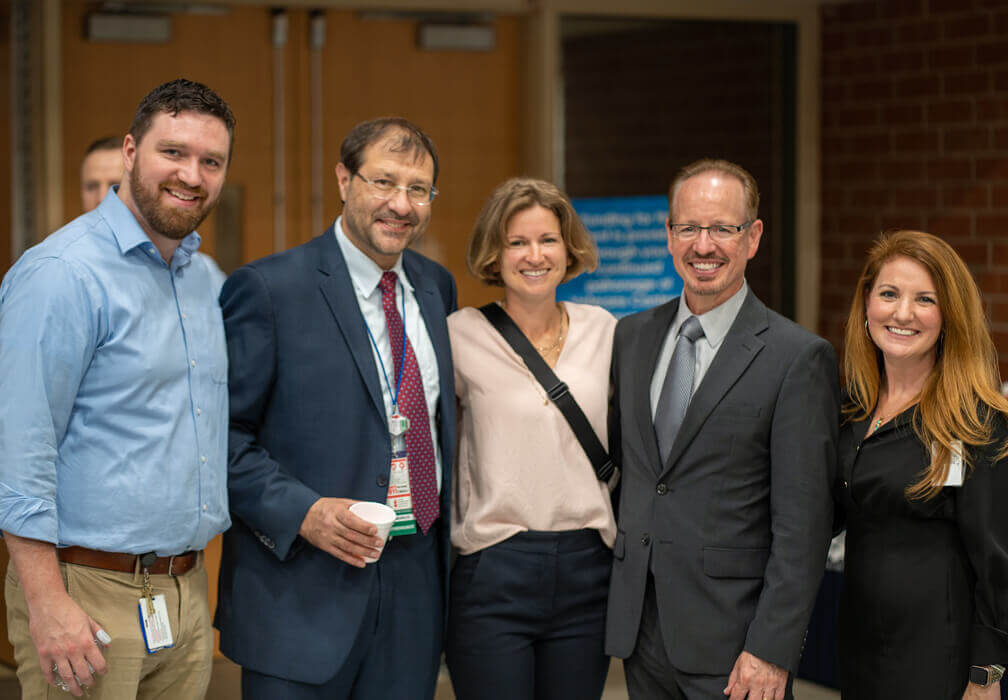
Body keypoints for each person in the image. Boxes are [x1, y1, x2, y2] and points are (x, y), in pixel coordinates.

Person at [0, 78, 235, 699]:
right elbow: (18, 454)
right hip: (84, 591)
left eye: (211, 161)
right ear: (131, 151)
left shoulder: (205, 279)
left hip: (184, 593)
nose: (192, 175)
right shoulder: (61, 274)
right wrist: (46, 603)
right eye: (174, 152)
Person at [214, 117, 456, 699]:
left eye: (418, 190)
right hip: (300, 590)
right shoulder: (270, 290)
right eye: (384, 183)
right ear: (344, 180)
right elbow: (220, 438)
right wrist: (304, 512)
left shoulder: (436, 287)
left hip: (415, 582)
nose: (401, 204)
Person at [605, 158, 839, 700]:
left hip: (737, 646)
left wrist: (771, 649)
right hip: (641, 629)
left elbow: (803, 528)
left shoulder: (797, 358)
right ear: (669, 235)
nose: (703, 245)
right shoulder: (632, 337)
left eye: (722, 229)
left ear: (752, 237)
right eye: (688, 227)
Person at [444, 178, 616, 699]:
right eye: (517, 242)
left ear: (569, 250)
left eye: (548, 240)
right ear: (494, 254)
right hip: (494, 567)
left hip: (589, 568)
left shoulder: (606, 331)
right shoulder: (459, 334)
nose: (534, 255)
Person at [837, 229, 1008, 700]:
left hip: (939, 663)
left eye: (925, 299)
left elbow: (998, 565)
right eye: (889, 294)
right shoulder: (851, 411)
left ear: (949, 316)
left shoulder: (978, 424)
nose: (902, 313)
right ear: (866, 305)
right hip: (859, 651)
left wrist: (986, 677)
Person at [80, 135, 228, 295]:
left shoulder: (207, 274)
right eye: (91, 186)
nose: (102, 197)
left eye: (114, 184)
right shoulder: (70, 268)